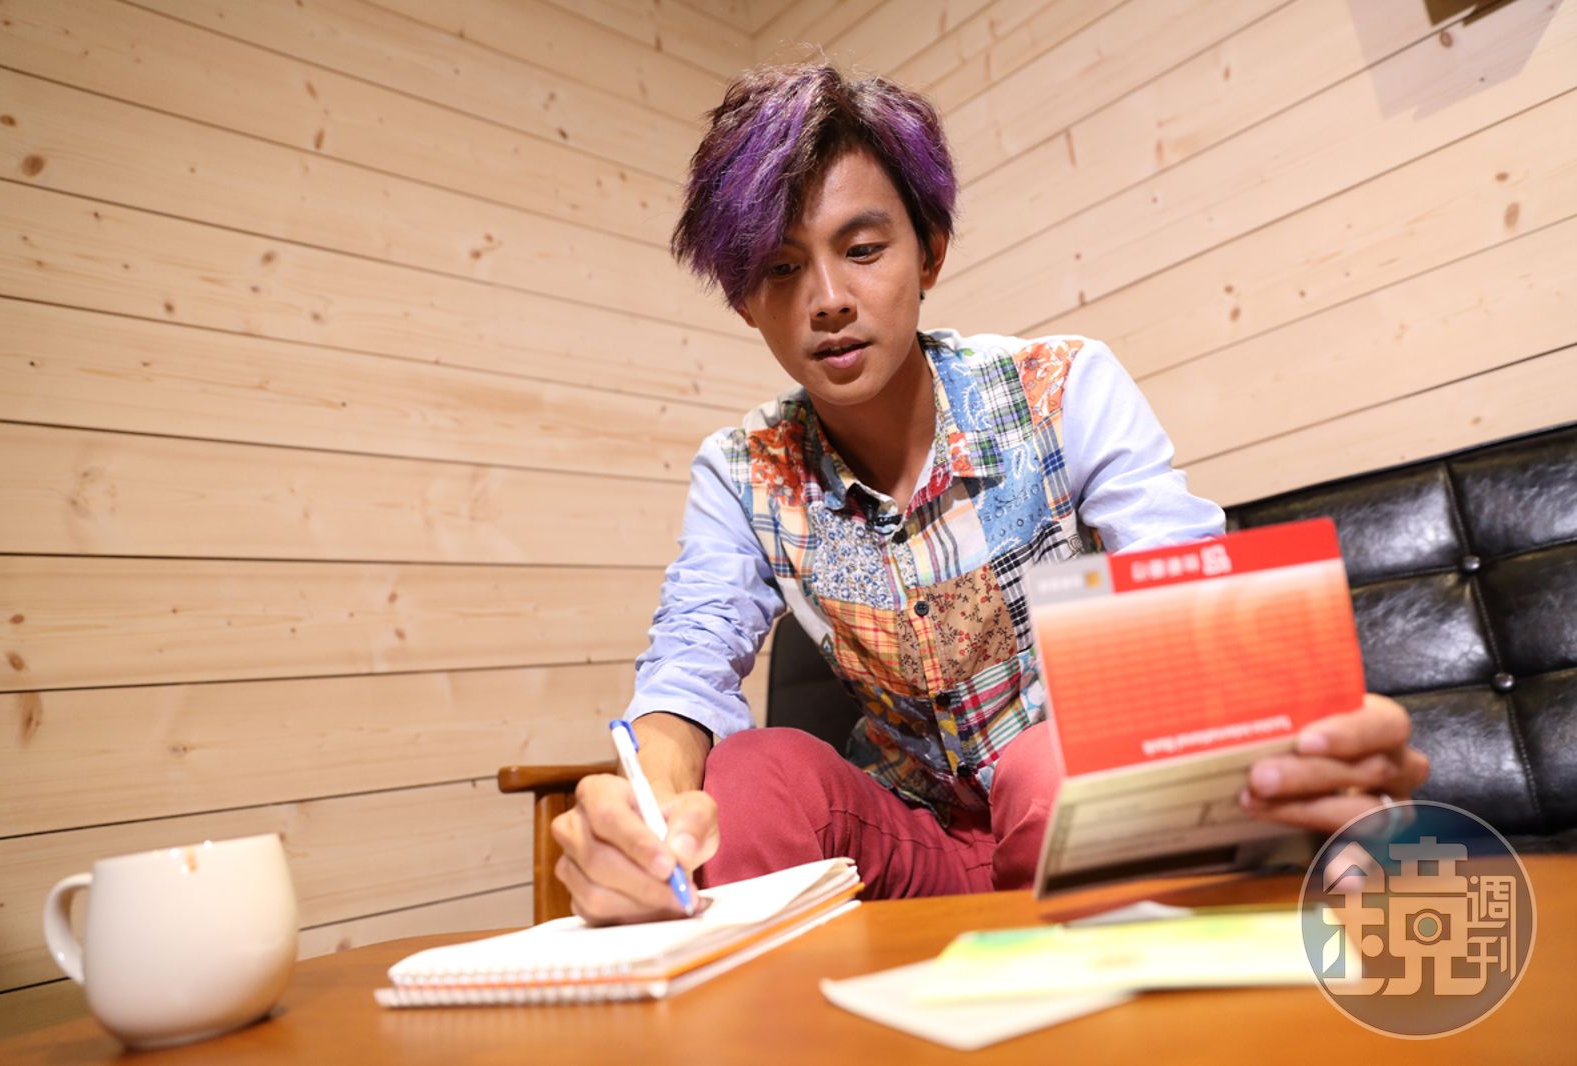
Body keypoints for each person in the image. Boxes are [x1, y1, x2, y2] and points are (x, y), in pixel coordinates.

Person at [551, 62, 1429, 923]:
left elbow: (1182, 583)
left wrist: (1303, 761)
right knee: (748, 780)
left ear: (929, 253)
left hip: (1071, 811)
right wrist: (648, 820)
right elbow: (690, 662)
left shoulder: (1061, 386)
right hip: (906, 843)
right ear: (745, 302)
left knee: (1050, 769)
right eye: (781, 269)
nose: (828, 299)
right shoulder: (744, 469)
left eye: (863, 250)